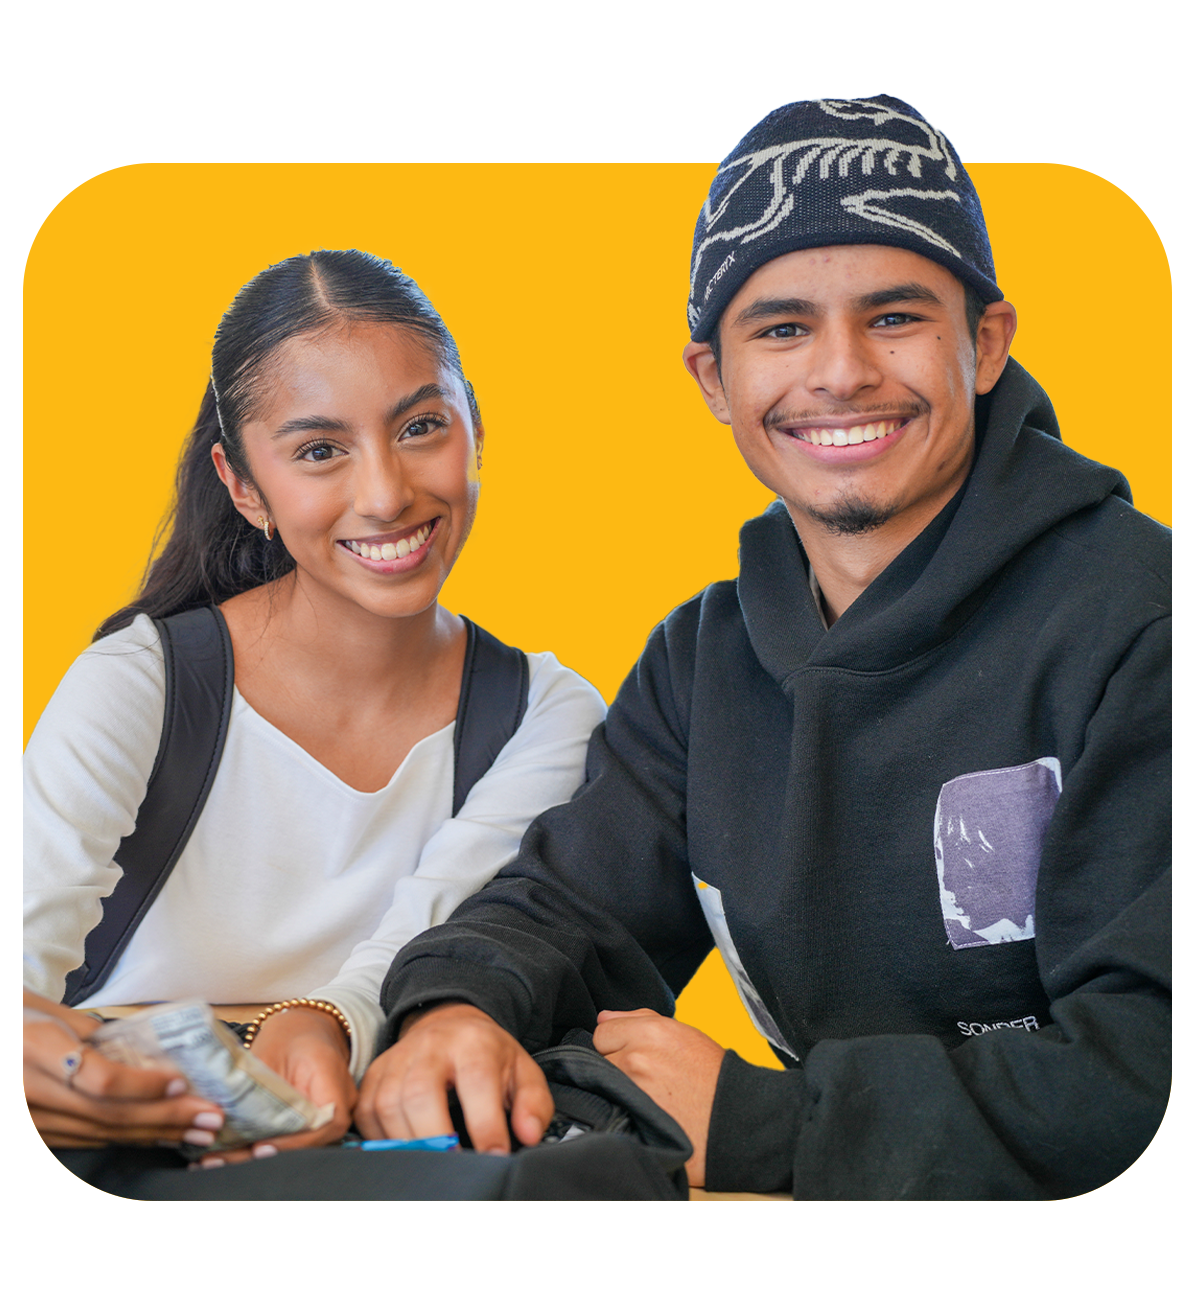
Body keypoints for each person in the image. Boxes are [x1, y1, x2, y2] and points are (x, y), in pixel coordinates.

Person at [354, 96, 1171, 1198]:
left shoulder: (1146, 623)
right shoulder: (704, 658)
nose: (840, 372)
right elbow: (571, 908)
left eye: (894, 317)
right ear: (714, 381)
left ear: (984, 343)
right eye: (782, 329)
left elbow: (1127, 1061)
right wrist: (457, 1009)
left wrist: (762, 1121)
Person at [21, 249, 606, 1166]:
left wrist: (318, 1023)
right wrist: (47, 1055)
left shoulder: (545, 713)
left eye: (421, 427)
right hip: (127, 1165)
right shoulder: (141, 683)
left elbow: (431, 938)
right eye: (319, 451)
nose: (387, 494)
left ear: (475, 426)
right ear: (242, 484)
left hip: (392, 1163)